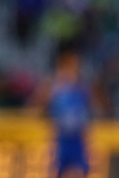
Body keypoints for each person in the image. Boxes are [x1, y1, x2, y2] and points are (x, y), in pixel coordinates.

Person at [30, 47, 104, 178]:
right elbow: (36, 106)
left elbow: (99, 107)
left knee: (80, 171)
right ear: (62, 65)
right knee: (58, 171)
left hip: (78, 137)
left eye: (76, 65)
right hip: (60, 137)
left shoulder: (84, 86)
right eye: (71, 65)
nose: (74, 68)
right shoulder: (52, 85)